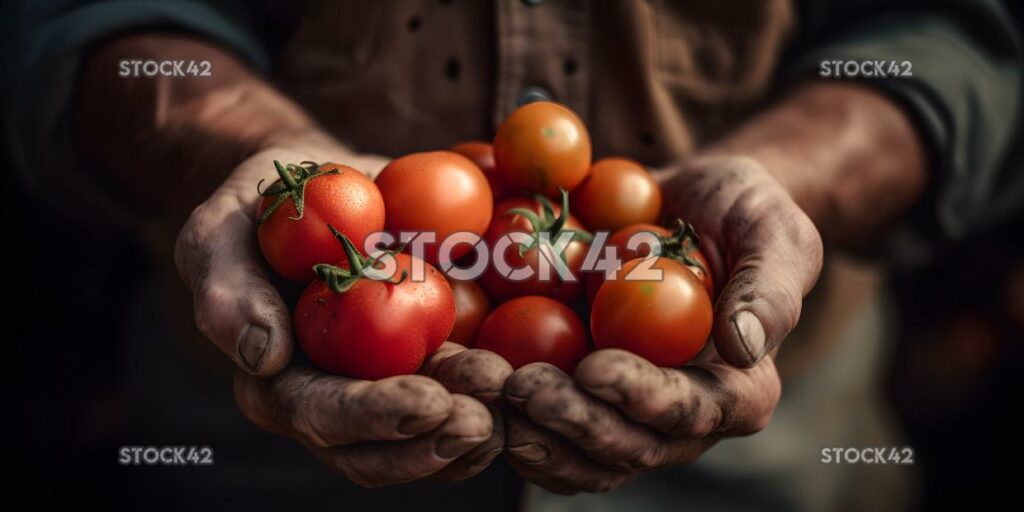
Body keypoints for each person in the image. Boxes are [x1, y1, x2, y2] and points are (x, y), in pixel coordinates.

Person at [3, 1, 1020, 510]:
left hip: (776, 464)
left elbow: (958, 34)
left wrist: (787, 181)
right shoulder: (442, 238)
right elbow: (75, 18)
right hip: (244, 455)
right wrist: (240, 149)